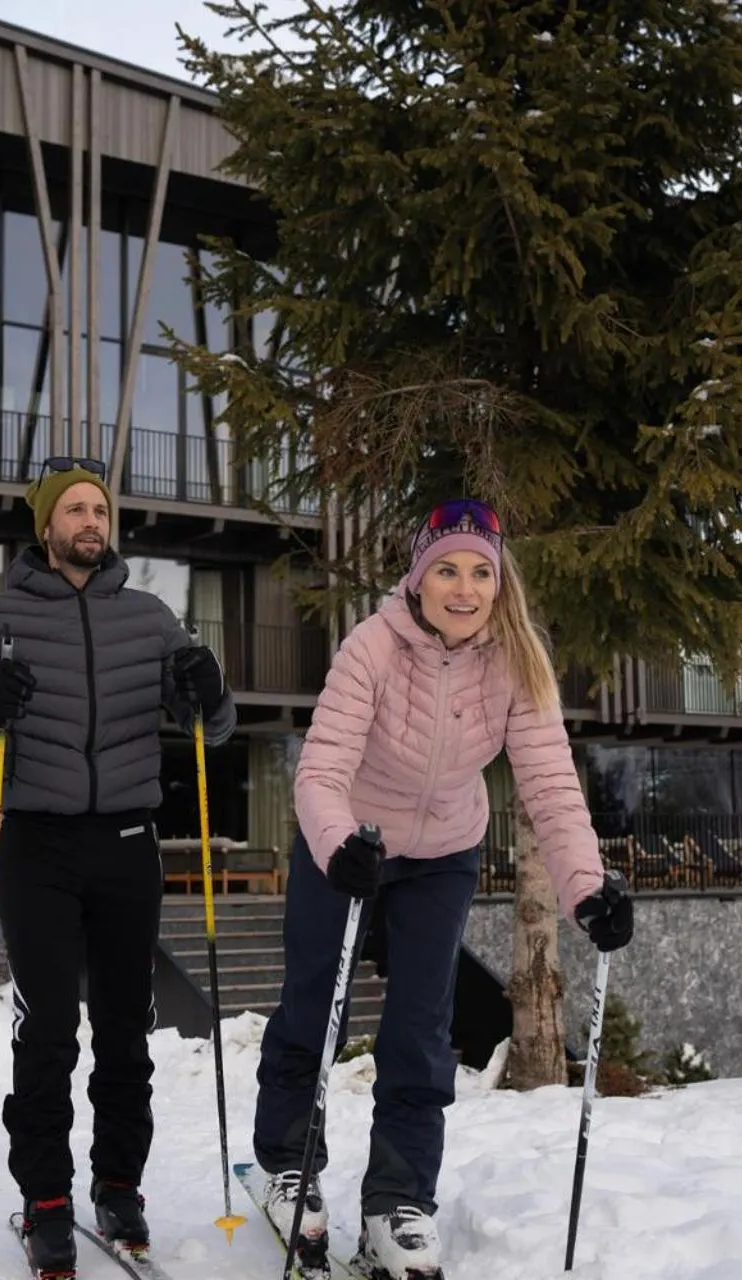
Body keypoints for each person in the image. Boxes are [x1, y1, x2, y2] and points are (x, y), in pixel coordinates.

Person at [252, 497, 634, 1279]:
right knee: (313, 1005)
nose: (464, 589)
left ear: (499, 584)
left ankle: (399, 1199)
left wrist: (586, 888)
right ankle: (287, 1165)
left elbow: (551, 787)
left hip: (444, 852)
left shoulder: (517, 660)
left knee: (421, 1025)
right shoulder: (371, 647)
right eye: (448, 571)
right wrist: (337, 844)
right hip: (349, 844)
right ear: (418, 579)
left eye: (480, 574)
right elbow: (320, 771)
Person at [0, 456, 235, 1276]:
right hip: (39, 845)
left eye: (99, 509)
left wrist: (211, 691)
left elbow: (211, 728)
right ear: (46, 526)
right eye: (74, 509)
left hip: (128, 844)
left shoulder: (149, 616)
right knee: (48, 1032)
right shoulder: (0, 616)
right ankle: (46, 1199)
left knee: (126, 1030)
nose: (91, 521)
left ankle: (119, 1184)